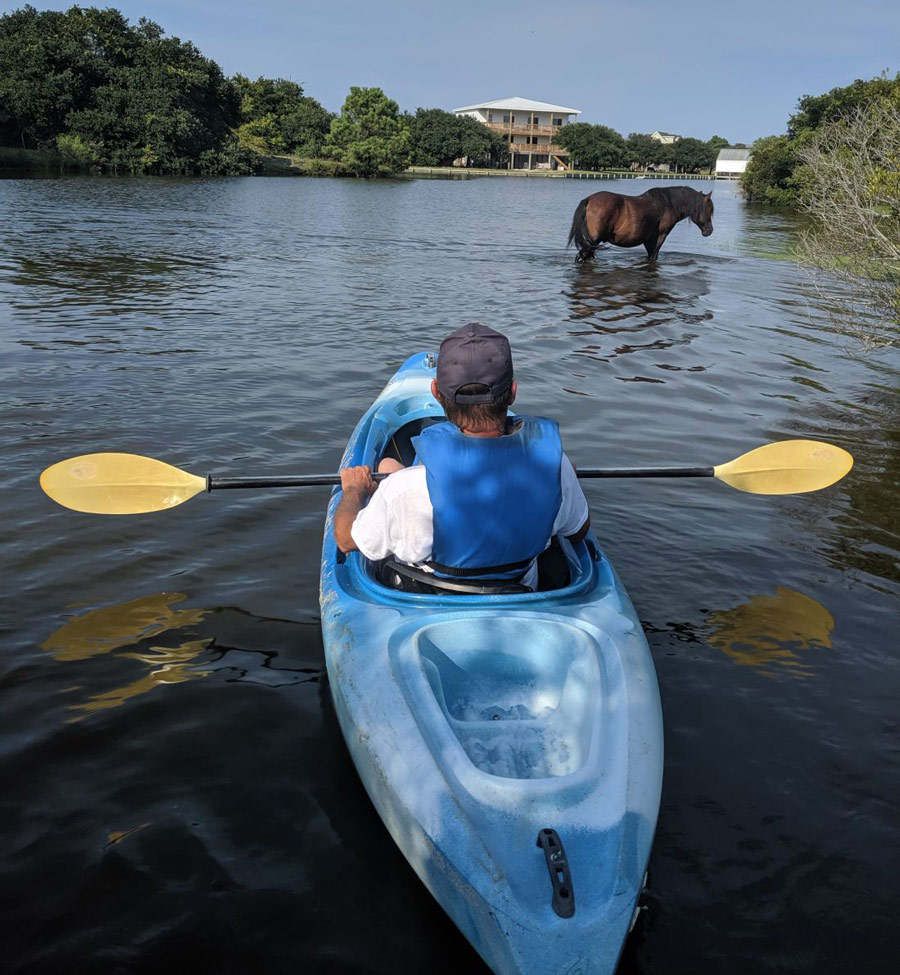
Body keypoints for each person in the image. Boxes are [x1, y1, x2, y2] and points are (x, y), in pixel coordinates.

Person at [334, 323, 590, 592]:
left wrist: (353, 491)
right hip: (521, 591)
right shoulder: (554, 470)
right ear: (512, 392)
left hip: (429, 599)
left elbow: (344, 539)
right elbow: (578, 531)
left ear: (436, 393)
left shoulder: (404, 490)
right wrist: (563, 480)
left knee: (386, 467)